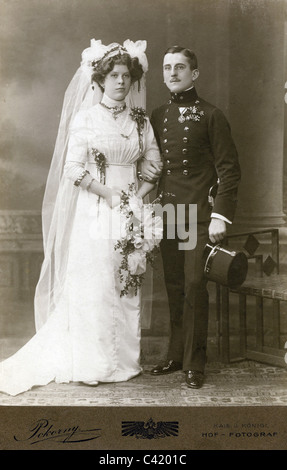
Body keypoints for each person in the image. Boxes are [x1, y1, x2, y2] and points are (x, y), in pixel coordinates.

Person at [0, 39, 162, 396]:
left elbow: (154, 165)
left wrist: (136, 199)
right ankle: (92, 362)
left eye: (126, 76)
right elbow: (73, 169)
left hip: (131, 209)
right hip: (95, 209)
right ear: (100, 80)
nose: (121, 82)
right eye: (114, 75)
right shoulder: (85, 119)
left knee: (127, 277)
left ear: (133, 81)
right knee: (96, 283)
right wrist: (109, 195)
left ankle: (125, 363)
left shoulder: (140, 121)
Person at [141, 46, 241, 389]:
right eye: (167, 67)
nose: (172, 73)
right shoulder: (157, 115)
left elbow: (229, 171)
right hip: (169, 212)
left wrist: (220, 217)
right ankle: (176, 355)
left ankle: (195, 363)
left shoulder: (212, 115)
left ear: (194, 74)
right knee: (174, 285)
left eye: (180, 67)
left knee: (195, 287)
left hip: (199, 215)